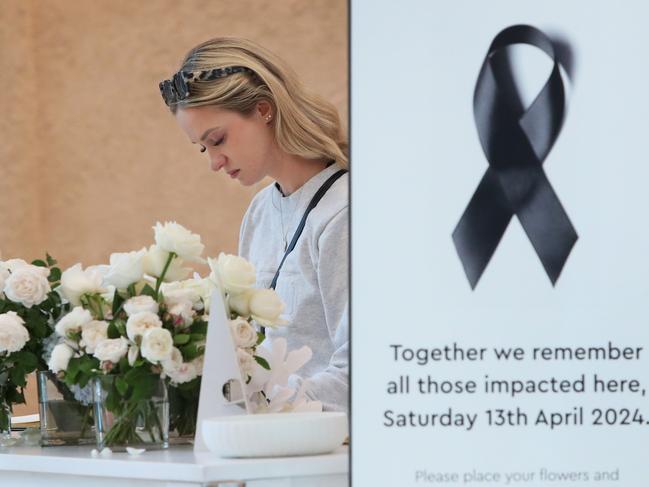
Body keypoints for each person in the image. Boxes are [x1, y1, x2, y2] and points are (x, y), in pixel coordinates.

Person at [159, 38, 349, 413]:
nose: (214, 161)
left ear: (263, 109)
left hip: (329, 451)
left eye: (217, 140)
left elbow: (360, 372)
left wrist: (256, 402)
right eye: (203, 148)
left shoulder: (343, 211)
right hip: (270, 440)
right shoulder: (260, 211)